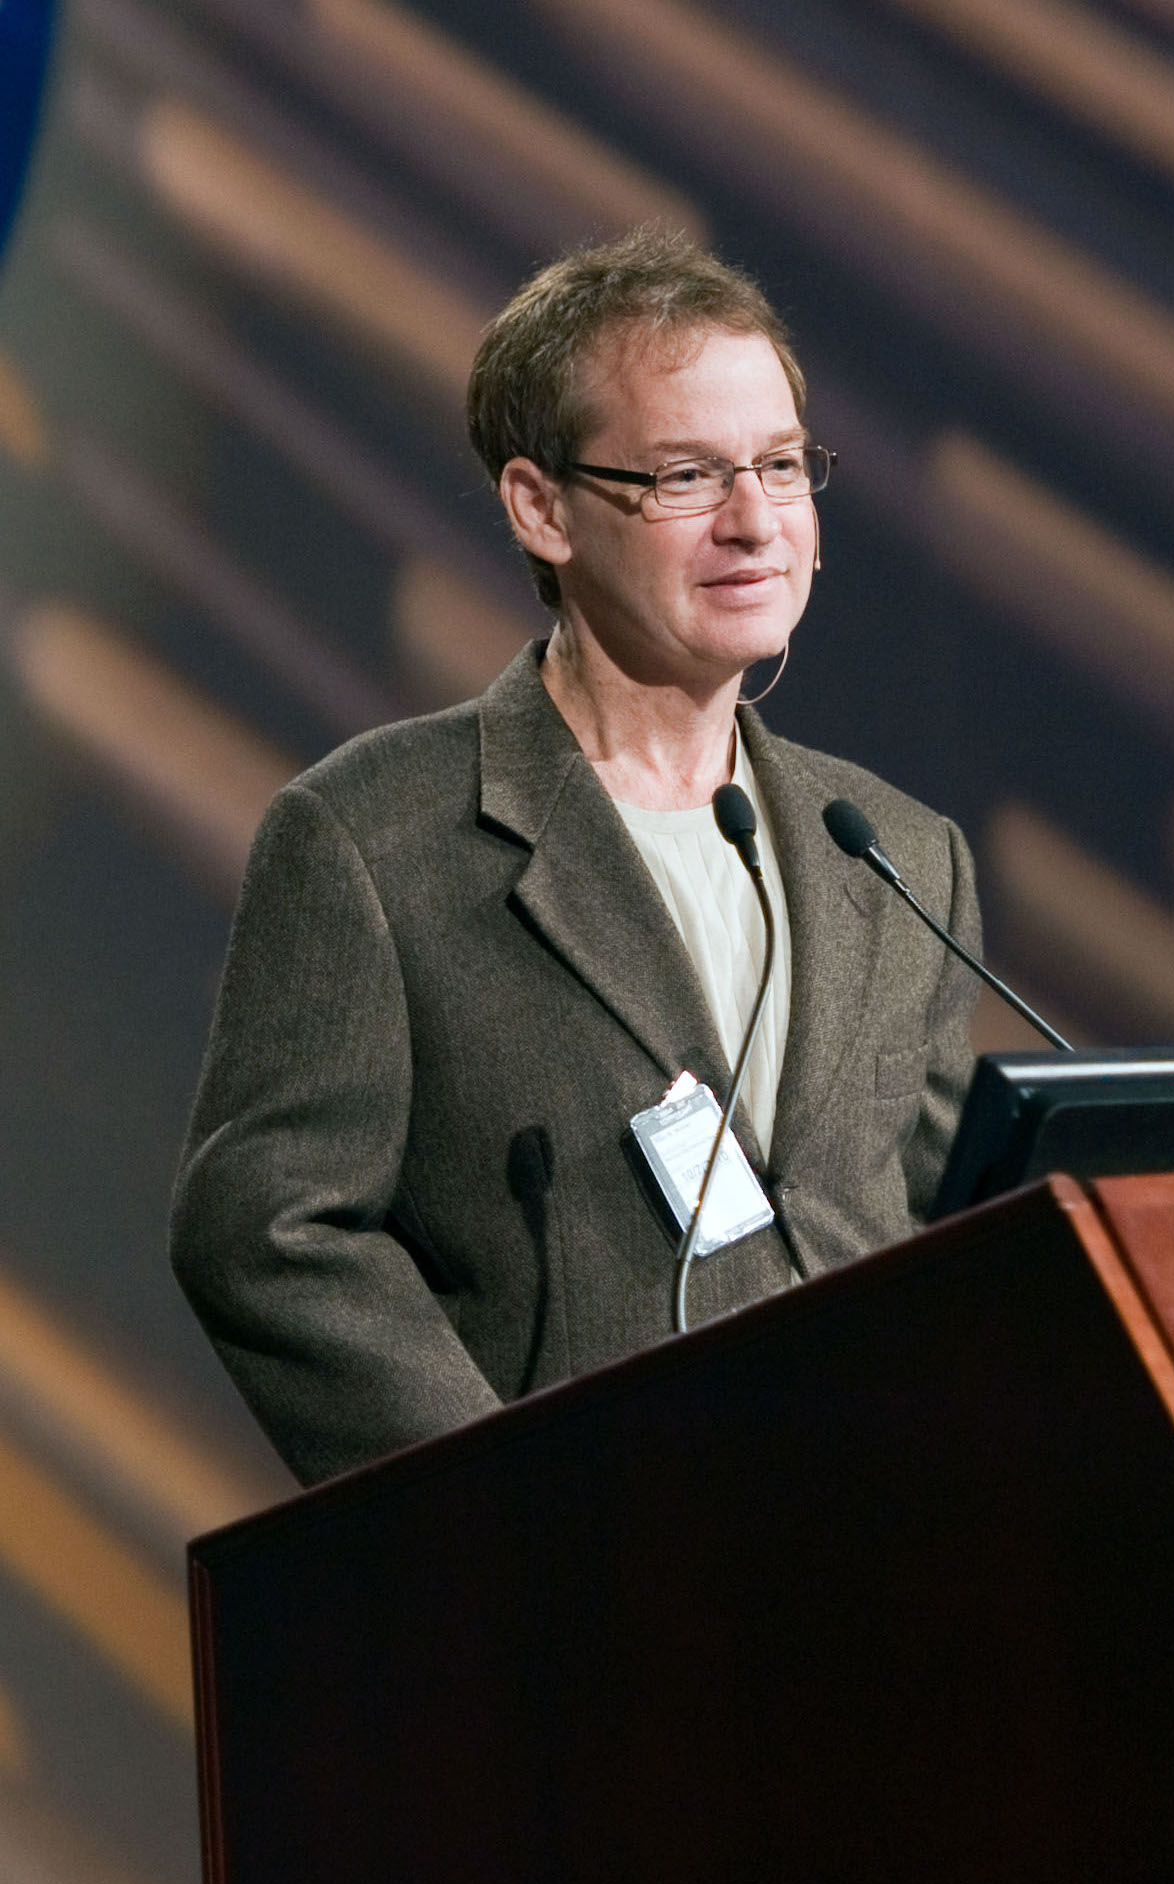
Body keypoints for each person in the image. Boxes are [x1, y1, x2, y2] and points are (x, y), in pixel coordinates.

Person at [170, 231, 980, 1485]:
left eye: (779, 465)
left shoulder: (895, 853)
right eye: (683, 477)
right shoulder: (375, 839)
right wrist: (508, 1502)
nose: (755, 522)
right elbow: (269, 1228)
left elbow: (952, 1230)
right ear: (541, 507)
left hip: (880, 1568)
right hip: (585, 1603)